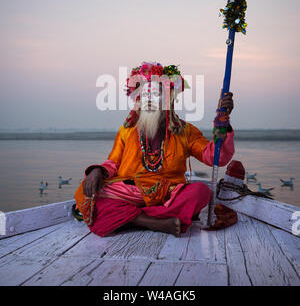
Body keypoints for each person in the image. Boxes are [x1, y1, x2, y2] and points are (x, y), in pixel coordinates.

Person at [74, 62, 234, 237]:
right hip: (129, 192)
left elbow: (214, 157)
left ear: (167, 99)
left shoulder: (185, 131)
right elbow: (113, 163)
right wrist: (97, 171)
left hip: (168, 195)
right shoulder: (127, 131)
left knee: (200, 192)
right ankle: (151, 222)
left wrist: (222, 121)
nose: (149, 100)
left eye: (156, 94)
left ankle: (127, 218)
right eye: (145, 94)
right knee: (85, 191)